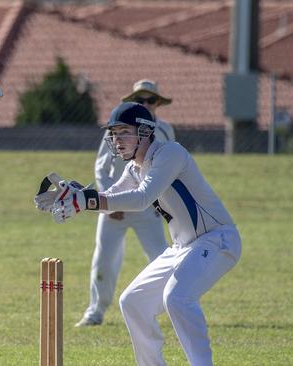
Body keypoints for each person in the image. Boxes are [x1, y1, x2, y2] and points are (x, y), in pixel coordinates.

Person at [43, 102, 242, 366]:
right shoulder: (134, 169)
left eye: (124, 131)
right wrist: (75, 194)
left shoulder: (170, 153)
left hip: (217, 239)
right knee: (132, 301)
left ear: (146, 131)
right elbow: (109, 200)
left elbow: (141, 198)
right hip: (181, 248)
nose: (117, 139)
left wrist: (87, 200)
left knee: (177, 297)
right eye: (113, 133)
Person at [76, 79, 176, 327]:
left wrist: (156, 203)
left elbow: (167, 171)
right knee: (104, 258)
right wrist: (111, 202)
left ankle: (171, 305)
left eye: (149, 100)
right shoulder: (118, 128)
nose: (144, 103)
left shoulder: (165, 131)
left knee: (160, 256)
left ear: (157, 103)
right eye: (138, 100)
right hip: (113, 207)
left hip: (147, 206)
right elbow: (102, 166)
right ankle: (95, 311)